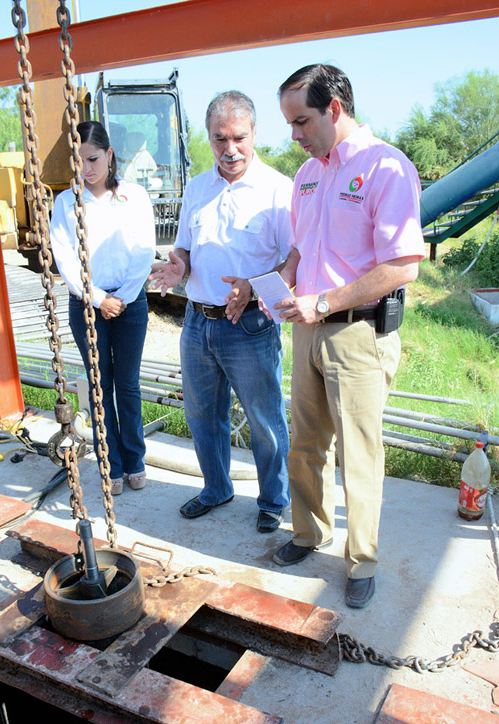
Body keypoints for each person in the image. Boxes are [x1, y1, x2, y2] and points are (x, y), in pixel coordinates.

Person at [272, 65, 425, 607]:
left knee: (359, 454)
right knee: (307, 442)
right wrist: (277, 280)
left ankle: (362, 562)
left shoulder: (386, 167)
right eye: (290, 123)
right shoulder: (308, 176)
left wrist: (327, 301)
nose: (294, 135)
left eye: (302, 121)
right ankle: (309, 532)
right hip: (308, 332)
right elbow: (300, 248)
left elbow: (403, 266)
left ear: (334, 108)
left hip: (358, 334)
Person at [150, 91, 292, 532]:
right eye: (219, 139)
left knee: (264, 418)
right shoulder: (197, 188)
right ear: (208, 138)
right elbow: (185, 249)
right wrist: (178, 266)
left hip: (249, 326)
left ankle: (273, 498)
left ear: (254, 135)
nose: (229, 150)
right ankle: (216, 488)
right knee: (201, 415)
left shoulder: (278, 190)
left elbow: (293, 260)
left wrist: (253, 289)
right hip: (196, 321)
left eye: (238, 138)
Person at [50, 120, 156, 496]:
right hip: (88, 304)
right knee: (99, 385)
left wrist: (123, 297)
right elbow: (66, 257)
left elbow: (145, 249)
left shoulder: (135, 196)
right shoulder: (66, 202)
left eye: (93, 158)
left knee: (127, 385)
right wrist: (97, 298)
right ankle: (110, 462)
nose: (87, 168)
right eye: (78, 161)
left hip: (130, 301)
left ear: (109, 154)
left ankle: (135, 461)